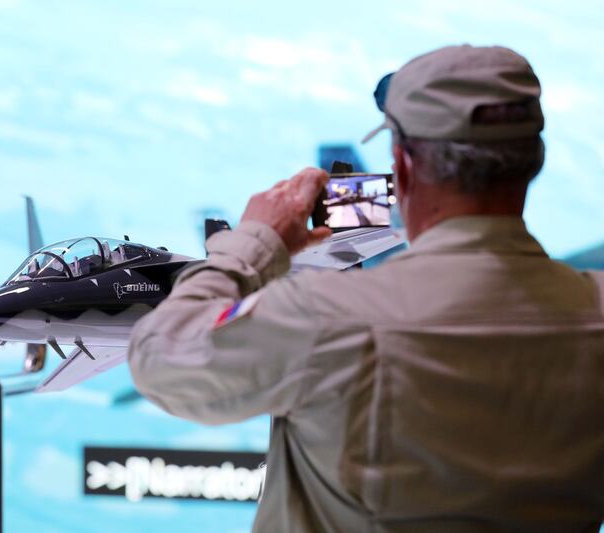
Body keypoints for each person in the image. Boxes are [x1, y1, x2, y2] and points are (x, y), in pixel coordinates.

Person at [127, 45, 604, 532]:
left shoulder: (324, 318)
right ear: (534, 161)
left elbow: (161, 355)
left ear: (403, 166)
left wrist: (253, 243)